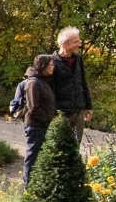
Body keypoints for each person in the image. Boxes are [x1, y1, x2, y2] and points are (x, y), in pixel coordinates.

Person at [9, 25, 96, 182]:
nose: (80, 44)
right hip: (61, 112)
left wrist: (88, 105)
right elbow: (50, 91)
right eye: (76, 42)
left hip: (78, 110)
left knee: (74, 147)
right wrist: (54, 114)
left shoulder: (78, 59)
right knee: (58, 147)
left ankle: (69, 182)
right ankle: (52, 181)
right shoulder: (52, 62)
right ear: (64, 44)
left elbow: (83, 82)